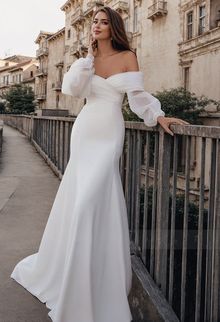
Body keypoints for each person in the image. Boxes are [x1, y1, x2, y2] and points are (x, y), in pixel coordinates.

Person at [10, 6, 189, 322]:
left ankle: (93, 281)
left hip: (109, 131)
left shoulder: (127, 56)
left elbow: (137, 97)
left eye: (104, 22)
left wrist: (158, 116)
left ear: (114, 27)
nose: (97, 26)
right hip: (85, 130)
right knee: (80, 199)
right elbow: (72, 91)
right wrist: (84, 65)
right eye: (95, 22)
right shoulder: (85, 61)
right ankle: (72, 276)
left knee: (93, 199)